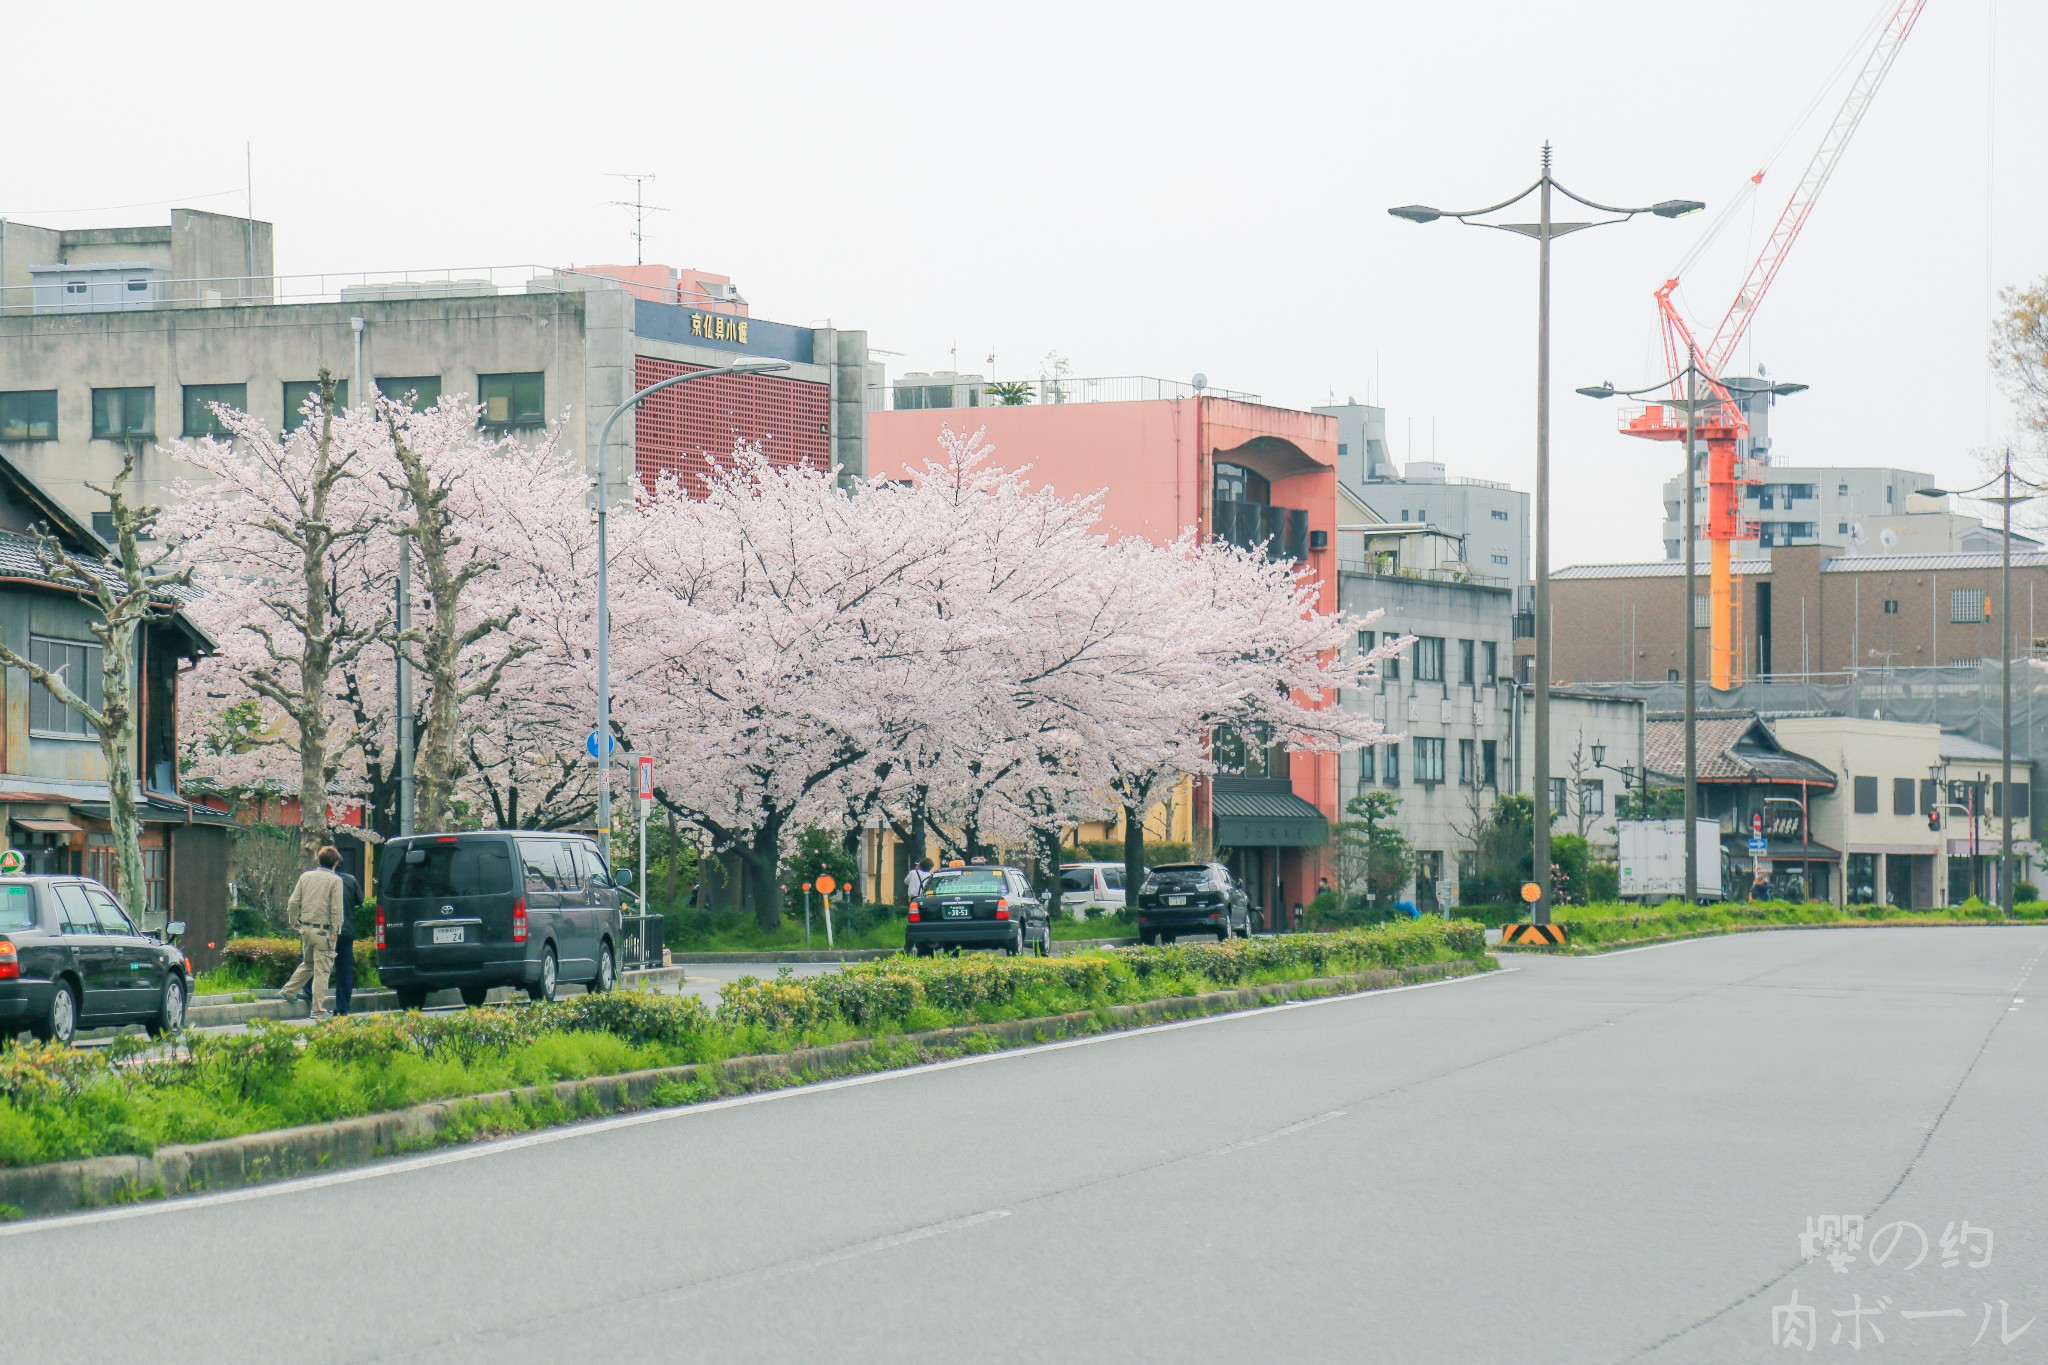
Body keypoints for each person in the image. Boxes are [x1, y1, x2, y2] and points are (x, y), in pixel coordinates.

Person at [279, 846, 346, 1021]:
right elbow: (336, 908)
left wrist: (293, 920)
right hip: (324, 931)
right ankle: (317, 1009)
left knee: (308, 963)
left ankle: (289, 990)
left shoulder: (305, 877)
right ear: (336, 863)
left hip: (306, 928)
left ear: (319, 860)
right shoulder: (335, 880)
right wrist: (335, 931)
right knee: (322, 970)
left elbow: (293, 901)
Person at [332, 853, 364, 1016]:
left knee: (315, 965)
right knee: (345, 970)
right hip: (346, 930)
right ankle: (342, 1007)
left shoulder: (319, 879)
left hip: (325, 931)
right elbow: (360, 900)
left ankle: (311, 997)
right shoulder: (351, 880)